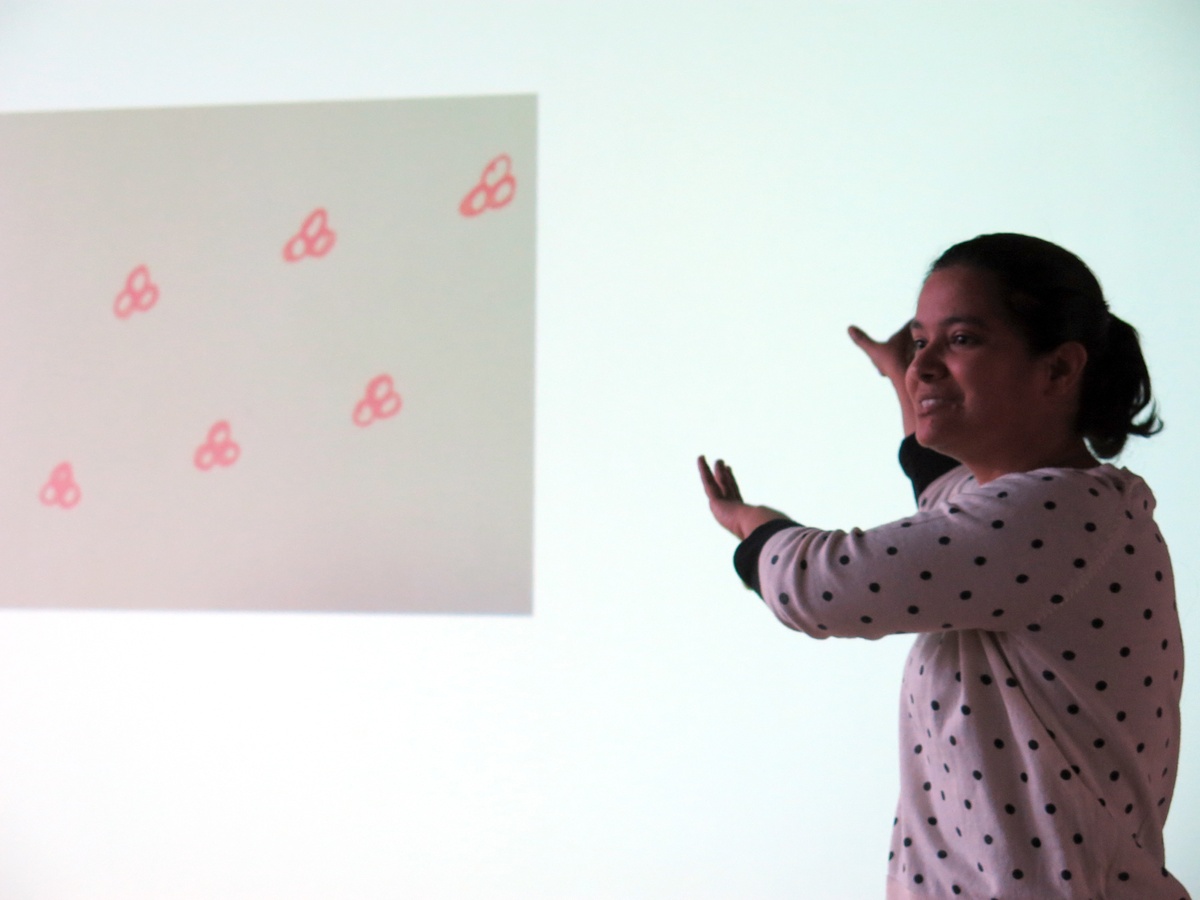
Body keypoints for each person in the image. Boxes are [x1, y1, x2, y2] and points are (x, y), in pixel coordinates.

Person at [699, 233, 1189, 899]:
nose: (923, 364)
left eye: (960, 340)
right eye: (919, 342)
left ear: (1058, 369)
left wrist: (754, 528)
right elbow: (940, 495)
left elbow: (822, 585)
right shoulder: (1038, 513)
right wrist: (903, 380)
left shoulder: (1063, 511)